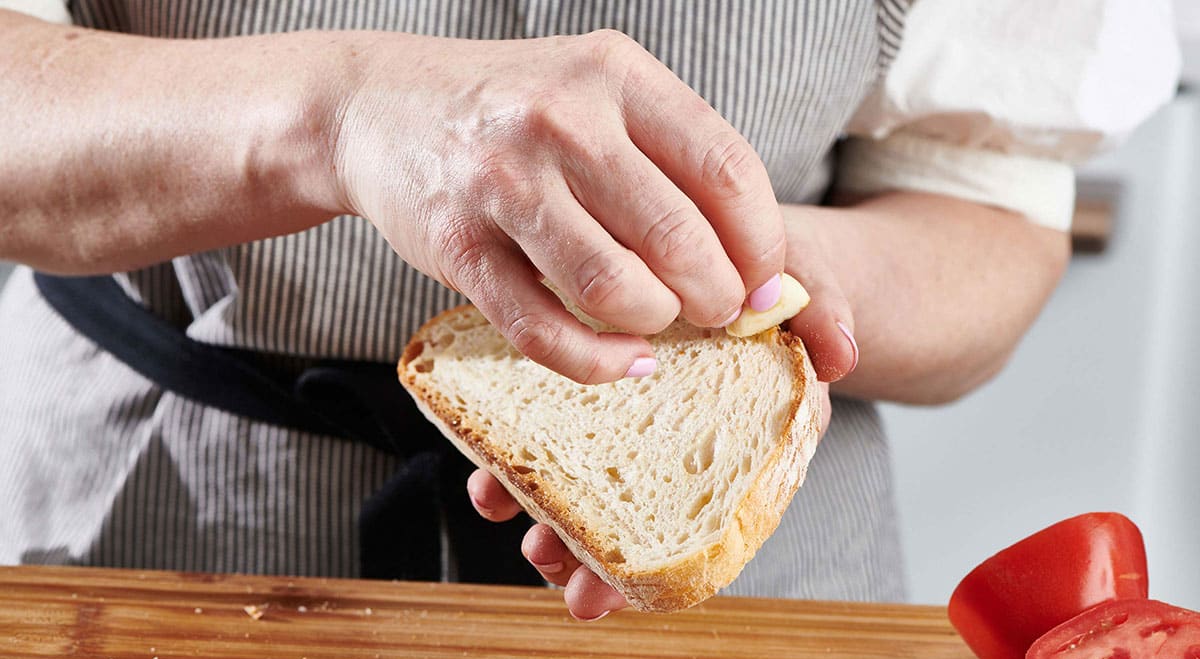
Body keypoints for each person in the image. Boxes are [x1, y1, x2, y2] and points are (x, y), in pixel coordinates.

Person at [0, 0, 1180, 620]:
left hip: (744, 605)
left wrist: (720, 288)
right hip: (158, 535)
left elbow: (988, 213)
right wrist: (337, 112)